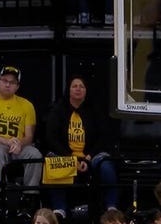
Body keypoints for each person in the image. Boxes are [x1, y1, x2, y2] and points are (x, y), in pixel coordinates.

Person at [45, 75, 119, 216]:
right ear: (69, 90)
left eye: (81, 86)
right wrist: (72, 159)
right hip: (66, 155)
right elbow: (51, 138)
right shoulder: (58, 109)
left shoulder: (94, 109)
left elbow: (104, 136)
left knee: (106, 165)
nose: (78, 89)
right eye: (74, 86)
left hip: (91, 154)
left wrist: (89, 157)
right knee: (54, 163)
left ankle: (111, 207)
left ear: (86, 90)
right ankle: (59, 209)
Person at [0, 66, 43, 206]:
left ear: (17, 86)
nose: (7, 84)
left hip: (18, 145)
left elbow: (29, 136)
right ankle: (0, 195)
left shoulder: (27, 105)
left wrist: (19, 144)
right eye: (4, 80)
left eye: (12, 82)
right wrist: (6, 141)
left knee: (35, 154)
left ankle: (30, 197)